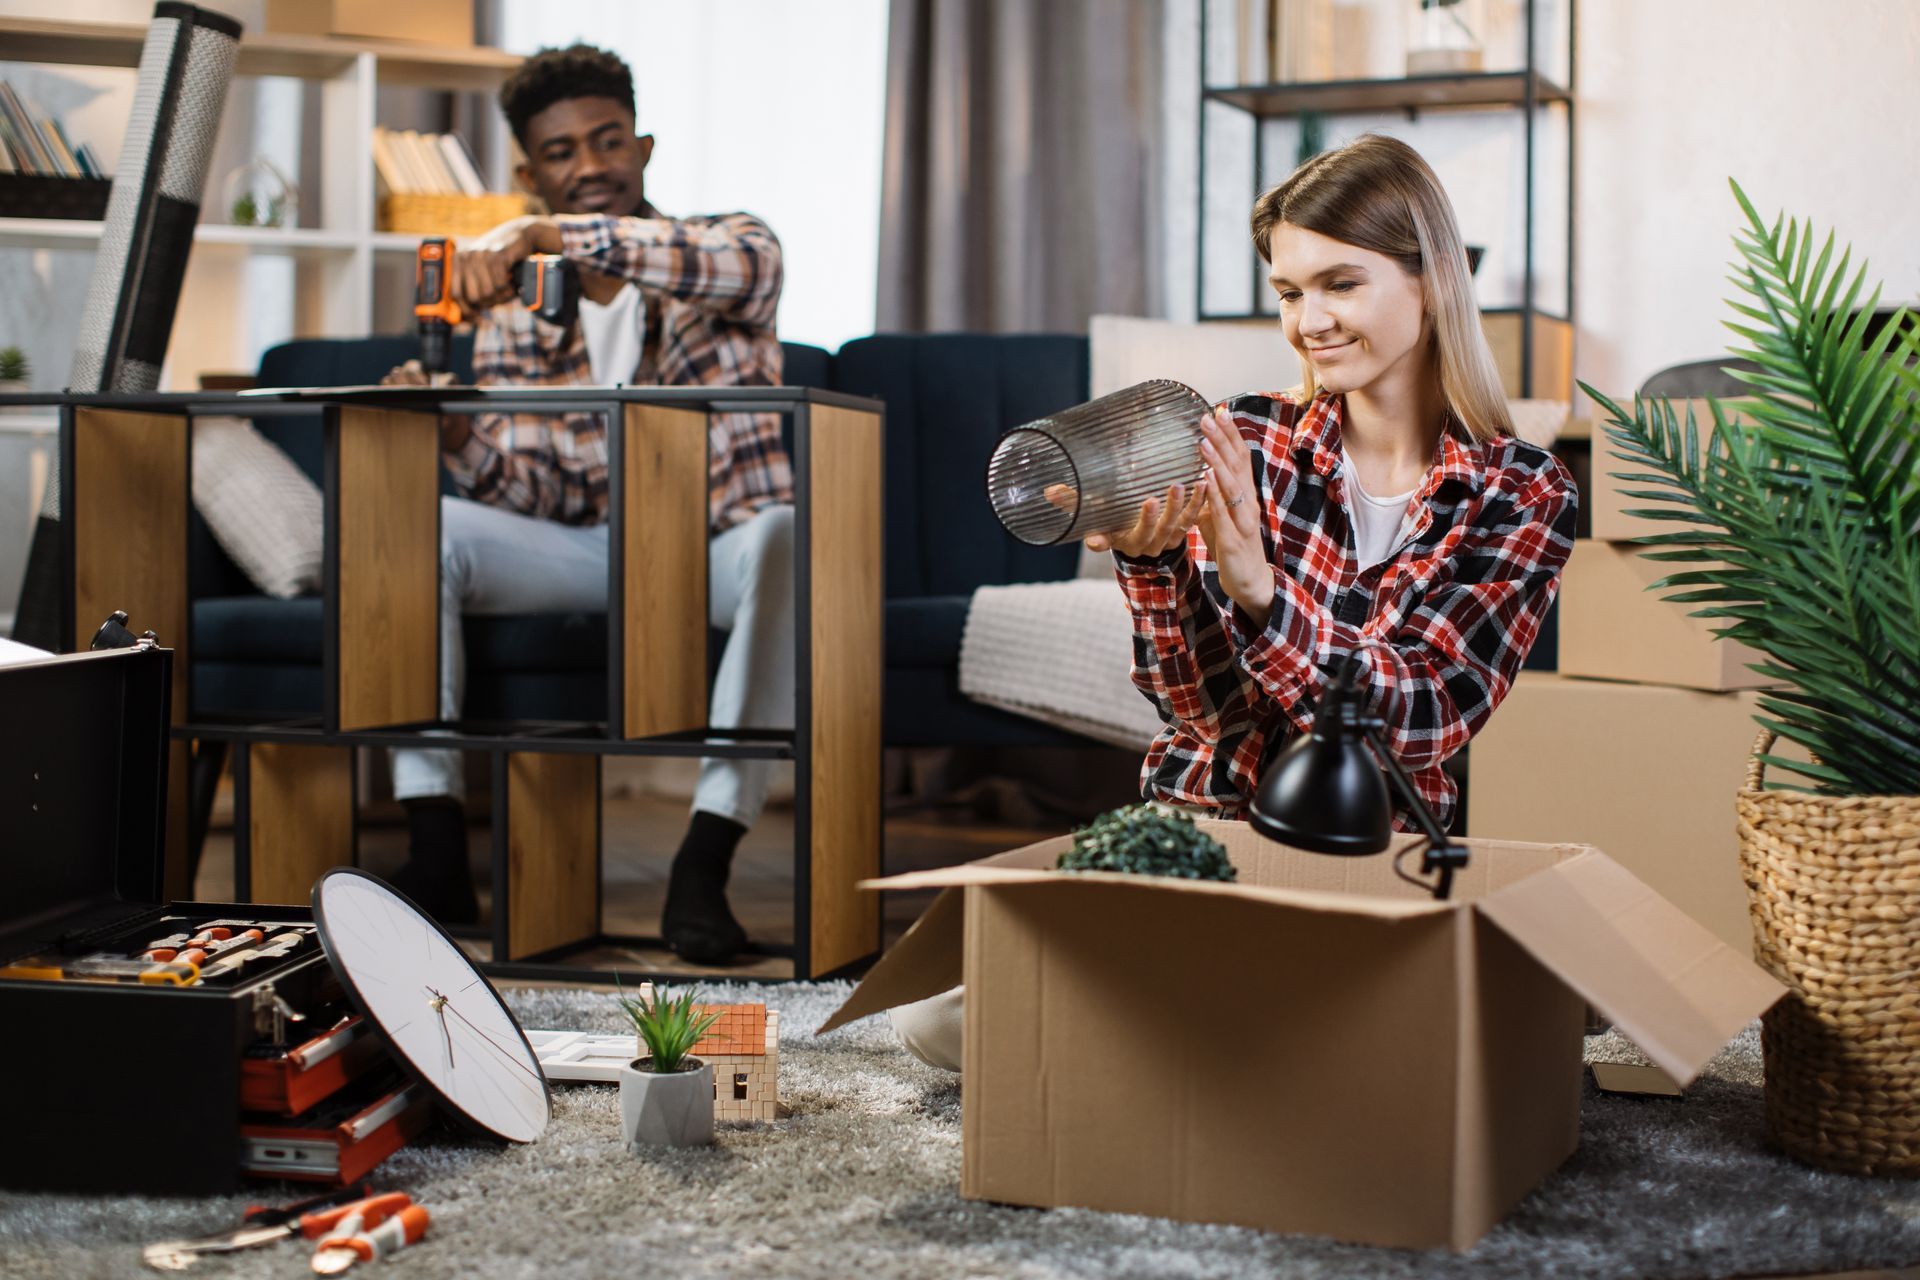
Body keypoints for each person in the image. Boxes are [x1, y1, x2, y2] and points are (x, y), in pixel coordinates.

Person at [890, 133, 1577, 1069]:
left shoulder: (1521, 491)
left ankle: (1175, 1030)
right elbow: (1200, 718)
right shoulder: (1246, 439)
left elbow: (1419, 720)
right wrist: (1155, 568)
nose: (1311, 322)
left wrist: (1262, 593)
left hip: (1365, 856)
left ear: (1432, 281)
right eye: (1290, 293)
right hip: (1204, 833)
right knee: (928, 1023)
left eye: (1341, 283)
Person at [381, 43, 793, 966]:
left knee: (787, 535)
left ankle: (706, 860)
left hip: (712, 550)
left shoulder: (726, 246)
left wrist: (545, 235)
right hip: (590, 551)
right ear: (531, 171)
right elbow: (548, 493)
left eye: (609, 142)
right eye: (563, 153)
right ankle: (435, 844)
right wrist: (456, 438)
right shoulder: (513, 312)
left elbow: (745, 266)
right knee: (423, 526)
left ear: (643, 148)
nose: (592, 166)